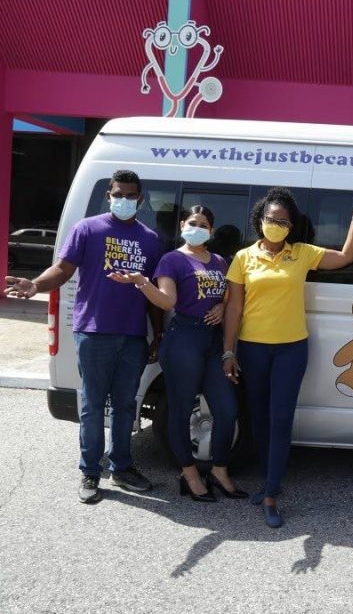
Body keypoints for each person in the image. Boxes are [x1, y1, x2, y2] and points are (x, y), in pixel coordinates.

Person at [223, 186, 353, 528]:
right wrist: (228, 351)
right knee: (259, 419)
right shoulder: (243, 258)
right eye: (269, 218)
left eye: (282, 221)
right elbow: (234, 307)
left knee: (280, 419)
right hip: (252, 348)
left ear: (291, 226)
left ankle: (271, 494)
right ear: (259, 219)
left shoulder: (302, 253)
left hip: (291, 348)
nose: (275, 224)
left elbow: (346, 257)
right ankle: (267, 481)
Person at [4, 169, 162, 504]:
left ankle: (121, 466)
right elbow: (62, 269)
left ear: (141, 199)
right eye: (118, 194)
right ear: (109, 195)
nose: (124, 200)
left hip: (133, 335)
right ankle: (91, 470)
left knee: (124, 405)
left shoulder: (150, 239)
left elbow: (153, 293)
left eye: (131, 195)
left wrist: (157, 334)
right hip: (93, 331)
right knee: (92, 406)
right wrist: (35, 285)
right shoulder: (88, 228)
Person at [108, 205, 246, 502]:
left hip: (213, 341)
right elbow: (167, 300)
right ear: (183, 225)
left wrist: (223, 306)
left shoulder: (220, 261)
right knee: (181, 410)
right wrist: (142, 283)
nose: (198, 227)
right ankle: (190, 473)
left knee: (227, 410)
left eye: (204, 224)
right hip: (184, 338)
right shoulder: (172, 260)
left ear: (211, 230)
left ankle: (219, 470)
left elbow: (227, 296)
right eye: (193, 223)